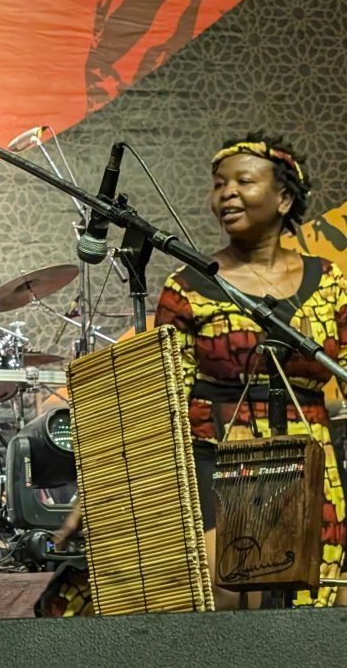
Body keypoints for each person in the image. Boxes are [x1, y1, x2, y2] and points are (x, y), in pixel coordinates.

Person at [155, 132, 347, 609]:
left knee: (312, 604)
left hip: (309, 455)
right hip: (216, 460)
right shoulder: (189, 285)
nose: (227, 194)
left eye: (244, 181)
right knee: (227, 603)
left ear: (283, 198)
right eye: (219, 184)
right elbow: (165, 395)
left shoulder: (331, 280)